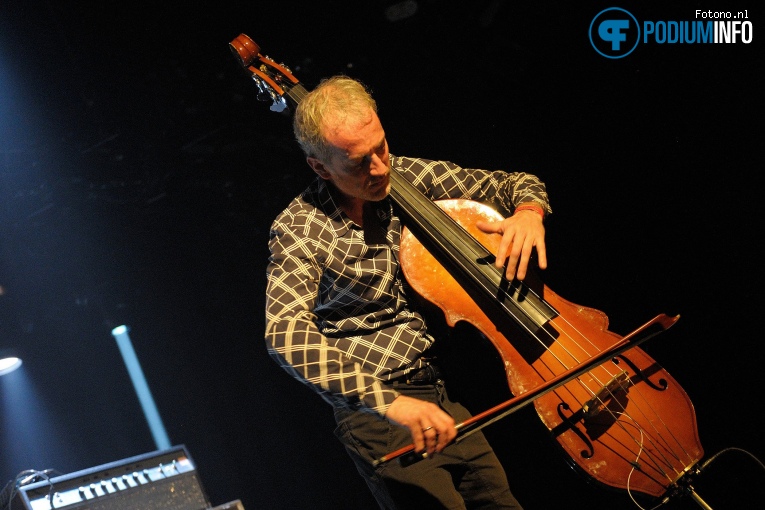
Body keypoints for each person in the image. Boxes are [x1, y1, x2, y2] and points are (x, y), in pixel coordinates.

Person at [264, 75, 551, 509]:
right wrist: (388, 403)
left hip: (441, 399)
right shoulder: (299, 229)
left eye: (381, 147)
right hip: (375, 414)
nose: (380, 169)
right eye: (358, 163)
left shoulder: (406, 175)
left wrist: (529, 213)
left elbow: (514, 183)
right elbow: (284, 333)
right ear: (320, 167)